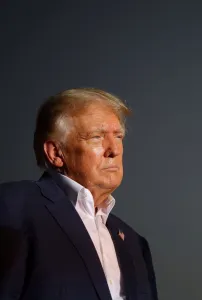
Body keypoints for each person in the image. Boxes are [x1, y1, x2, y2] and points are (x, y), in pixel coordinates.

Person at [0, 88, 158, 300]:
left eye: (118, 136)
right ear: (56, 153)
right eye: (96, 136)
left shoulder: (134, 243)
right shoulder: (11, 207)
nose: (114, 149)